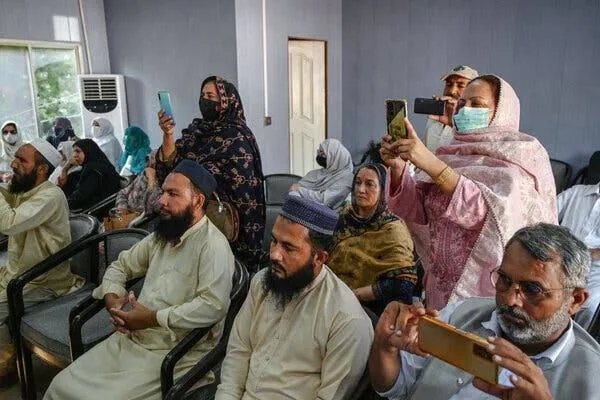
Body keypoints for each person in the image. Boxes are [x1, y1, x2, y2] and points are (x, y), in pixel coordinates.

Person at [44, 160, 235, 400]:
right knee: (60, 386)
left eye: (173, 194)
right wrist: (112, 297)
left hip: (174, 354)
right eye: (163, 192)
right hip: (131, 337)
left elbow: (213, 306)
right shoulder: (162, 235)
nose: (161, 201)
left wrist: (153, 318)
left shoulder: (213, 246)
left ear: (197, 201)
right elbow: (121, 265)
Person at [380, 75, 557, 310]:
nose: (465, 110)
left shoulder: (518, 161)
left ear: (501, 113)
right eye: (462, 104)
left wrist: (430, 163)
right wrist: (398, 167)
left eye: (477, 104)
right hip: (438, 286)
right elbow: (419, 209)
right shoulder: (449, 153)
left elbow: (488, 216)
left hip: (481, 292)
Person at [369, 223, 600, 399]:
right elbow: (397, 387)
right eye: (504, 280)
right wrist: (384, 346)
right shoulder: (463, 313)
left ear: (575, 300)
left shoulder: (593, 381)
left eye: (532, 290)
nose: (510, 300)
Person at [215, 195, 373, 400]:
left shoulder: (347, 319)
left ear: (319, 258)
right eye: (274, 241)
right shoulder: (262, 282)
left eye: (288, 247)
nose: (274, 254)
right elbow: (239, 350)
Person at [156, 76, 265, 267]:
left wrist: (194, 176)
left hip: (222, 222)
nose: (205, 100)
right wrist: (168, 134)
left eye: (211, 96)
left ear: (226, 102)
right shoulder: (196, 131)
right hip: (186, 214)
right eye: (203, 95)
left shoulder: (238, 136)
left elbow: (242, 185)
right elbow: (172, 167)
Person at [0, 140, 84, 381]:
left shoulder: (51, 196)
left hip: (41, 282)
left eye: (22, 160)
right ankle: (8, 359)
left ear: (42, 169)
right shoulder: (26, 189)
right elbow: (8, 196)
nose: (14, 164)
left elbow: (9, 223)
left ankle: (7, 364)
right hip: (17, 273)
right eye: (15, 158)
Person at [328, 163, 416, 311]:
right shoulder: (346, 216)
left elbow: (403, 282)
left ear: (383, 190)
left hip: (368, 308)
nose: (361, 189)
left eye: (370, 184)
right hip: (332, 294)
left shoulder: (392, 229)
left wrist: (352, 296)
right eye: (358, 183)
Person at [557, 182, 600, 329]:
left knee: (589, 306)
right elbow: (545, 212)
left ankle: (575, 340)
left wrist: (592, 254)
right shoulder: (576, 192)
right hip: (558, 258)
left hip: (594, 270)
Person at [424, 65, 478, 153]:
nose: (451, 91)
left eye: (461, 85)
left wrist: (454, 124)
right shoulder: (434, 118)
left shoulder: (478, 123)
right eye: (448, 84)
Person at [289, 138, 354, 211]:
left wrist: (301, 190)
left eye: (323, 153)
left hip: (326, 215)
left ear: (335, 157)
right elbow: (294, 189)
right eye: (319, 152)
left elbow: (325, 200)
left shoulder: (346, 178)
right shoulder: (314, 173)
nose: (319, 155)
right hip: (302, 211)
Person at [59, 139, 122, 210]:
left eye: (78, 151)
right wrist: (65, 169)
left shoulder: (94, 170)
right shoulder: (98, 164)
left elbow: (79, 198)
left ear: (88, 151)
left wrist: (61, 205)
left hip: (99, 210)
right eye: (73, 152)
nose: (74, 155)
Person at [115, 151, 161, 216]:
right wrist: (122, 208)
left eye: (153, 159)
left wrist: (151, 182)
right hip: (125, 215)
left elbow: (150, 208)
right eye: (149, 159)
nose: (149, 163)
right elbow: (122, 193)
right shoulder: (142, 176)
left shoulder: (163, 185)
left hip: (140, 220)